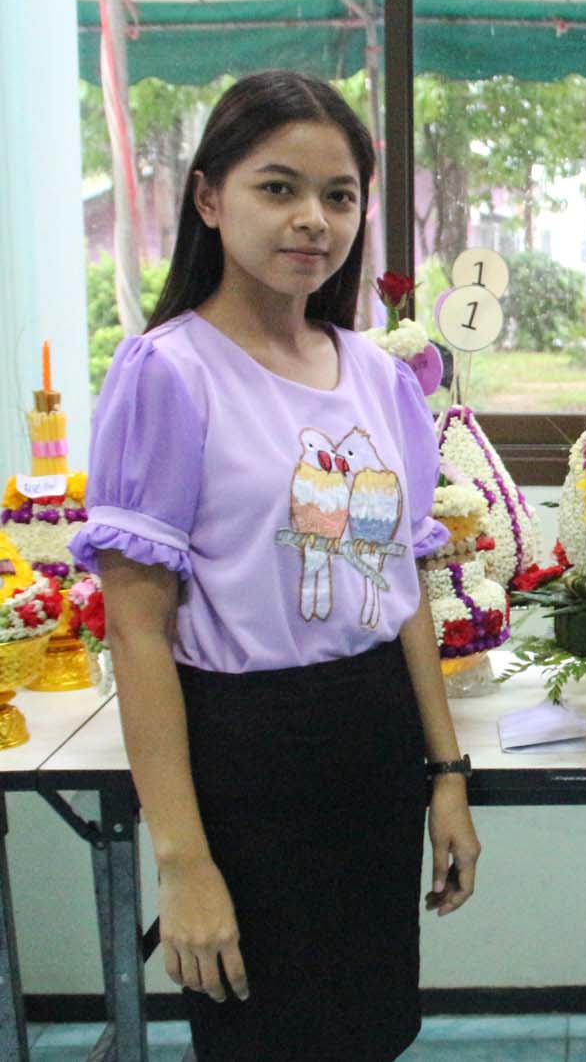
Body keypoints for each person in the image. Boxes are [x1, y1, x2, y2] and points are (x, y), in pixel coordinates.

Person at [70, 71, 481, 1061]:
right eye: (278, 187)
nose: (313, 219)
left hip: (373, 740)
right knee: (265, 1036)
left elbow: (402, 593)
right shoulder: (169, 373)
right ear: (209, 199)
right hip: (245, 757)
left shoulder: (378, 377)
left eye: (338, 196)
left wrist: (447, 775)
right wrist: (183, 860)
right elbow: (137, 631)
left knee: (371, 1031)